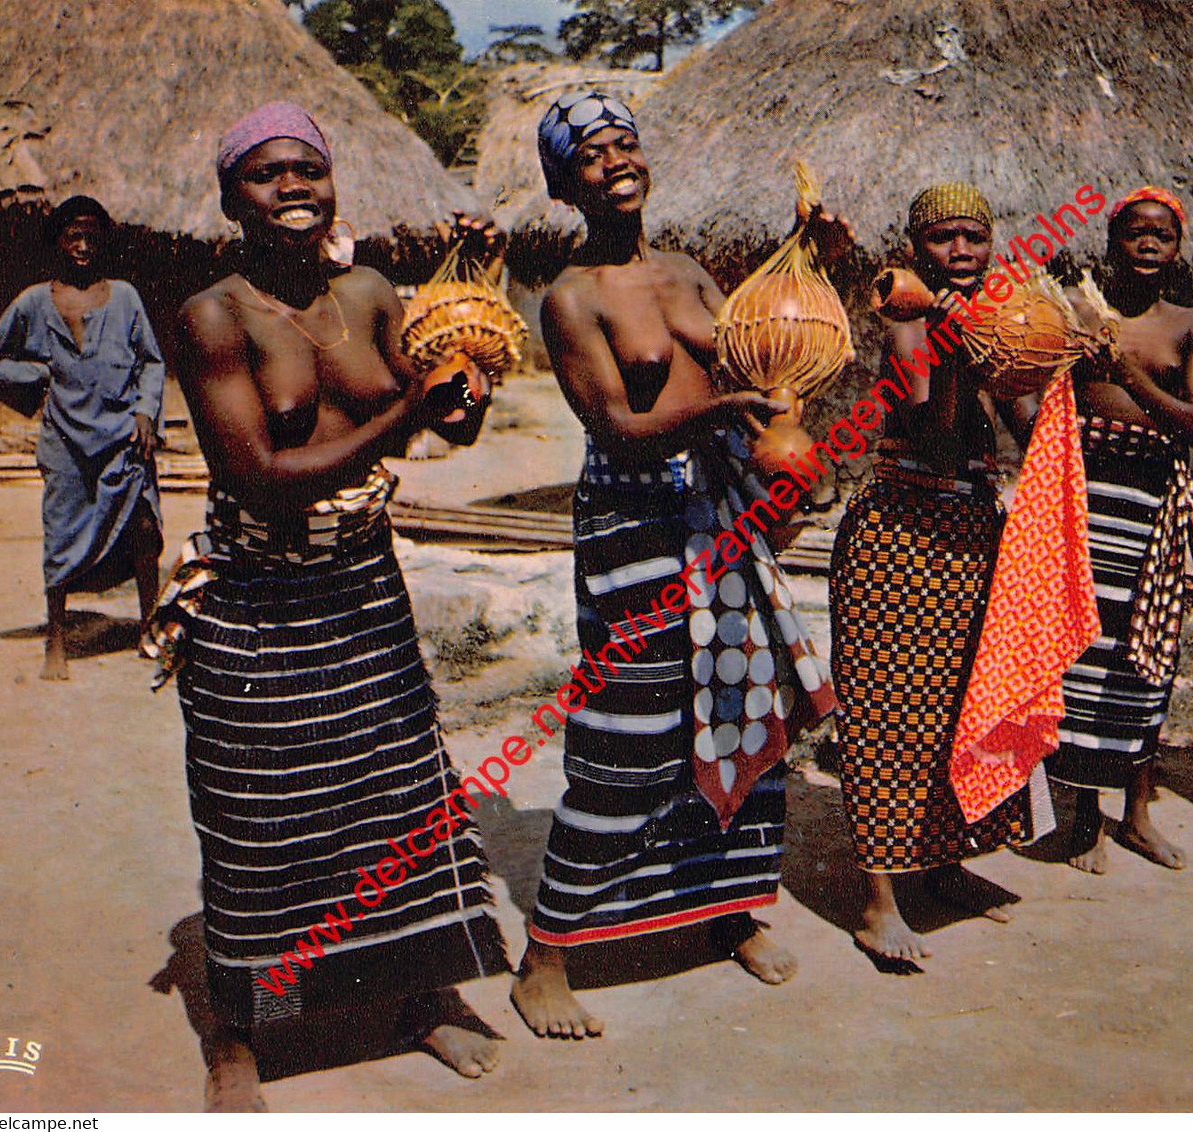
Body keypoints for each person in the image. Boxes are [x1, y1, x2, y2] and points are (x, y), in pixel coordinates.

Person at [143, 102, 509, 1110]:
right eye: (266, 174)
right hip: (255, 600)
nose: (293, 188)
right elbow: (259, 472)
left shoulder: (371, 291)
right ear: (230, 199)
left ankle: (415, 992)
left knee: (394, 794)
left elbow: (447, 423)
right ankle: (237, 1033)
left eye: (309, 169)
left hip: (362, 583)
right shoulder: (213, 315)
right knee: (257, 817)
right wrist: (408, 414)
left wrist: (462, 402)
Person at [511, 91, 843, 1037]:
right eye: (590, 152)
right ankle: (548, 955)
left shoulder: (694, 271)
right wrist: (714, 412)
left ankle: (726, 909)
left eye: (625, 142)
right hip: (635, 520)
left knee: (742, 707)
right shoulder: (570, 297)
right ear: (564, 180)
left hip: (727, 508)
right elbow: (614, 423)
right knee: (630, 730)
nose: (615, 160)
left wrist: (814, 261)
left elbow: (762, 351)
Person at [830, 183, 1055, 966]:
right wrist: (955, 335)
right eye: (943, 239)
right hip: (899, 532)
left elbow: (1026, 428)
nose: (961, 252)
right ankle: (878, 902)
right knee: (889, 715)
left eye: (974, 238)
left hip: (970, 529)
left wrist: (1037, 357)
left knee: (964, 703)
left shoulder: (991, 316)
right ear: (915, 247)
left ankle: (947, 864)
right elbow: (922, 411)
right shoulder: (907, 313)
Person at [1047, 186, 1193, 874]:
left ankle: (1140, 814)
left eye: (1163, 234)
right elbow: (1040, 400)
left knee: (1146, 657)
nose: (1149, 244)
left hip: (1154, 503)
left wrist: (1123, 369)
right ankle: (1088, 818)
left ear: (1178, 249)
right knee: (1084, 656)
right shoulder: (1076, 317)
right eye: (1135, 233)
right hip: (1085, 498)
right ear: (1112, 243)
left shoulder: (1190, 325)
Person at [0, 195, 164, 680]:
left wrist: (145, 411)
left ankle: (149, 627)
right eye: (73, 236)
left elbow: (152, 362)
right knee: (60, 534)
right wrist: (35, 375)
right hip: (65, 442)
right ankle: (56, 642)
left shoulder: (123, 297)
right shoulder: (34, 301)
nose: (82, 246)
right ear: (58, 241)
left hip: (124, 436)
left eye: (91, 236)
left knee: (143, 528)